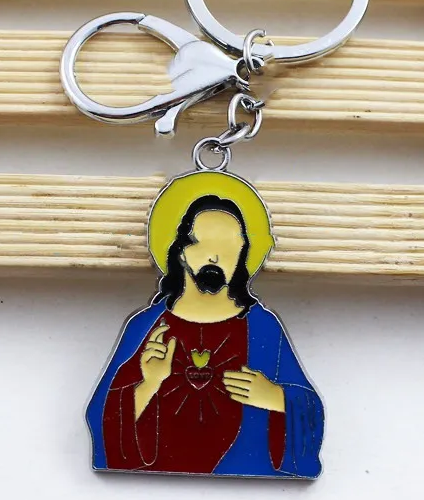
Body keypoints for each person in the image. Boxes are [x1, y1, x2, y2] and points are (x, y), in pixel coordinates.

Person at [86, 171, 324, 478]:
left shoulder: (263, 328)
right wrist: (148, 384)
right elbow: (101, 417)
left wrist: (277, 398)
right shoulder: (147, 327)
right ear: (181, 250)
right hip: (147, 489)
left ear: (242, 254)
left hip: (251, 482)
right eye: (204, 243)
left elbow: (310, 411)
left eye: (230, 246)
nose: (216, 256)